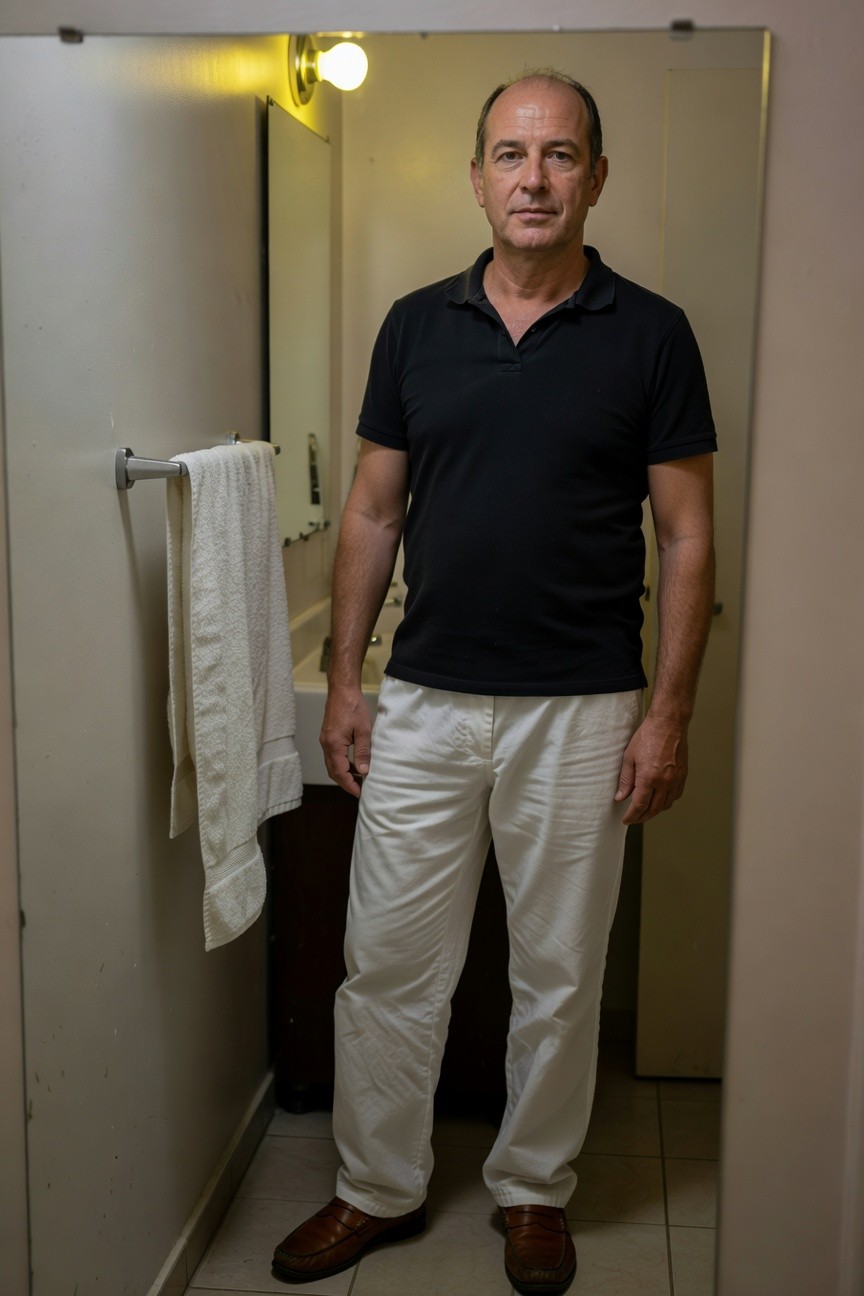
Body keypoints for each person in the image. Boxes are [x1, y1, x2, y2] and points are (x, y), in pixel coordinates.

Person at [272, 69, 716, 1295]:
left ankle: (532, 1190)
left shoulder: (653, 331)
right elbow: (371, 508)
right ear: (476, 178)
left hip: (583, 708)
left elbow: (687, 535)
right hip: (424, 702)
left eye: (560, 155)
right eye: (512, 156)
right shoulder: (415, 325)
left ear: (597, 177)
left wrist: (667, 713)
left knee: (560, 973)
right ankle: (376, 1188)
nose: (534, 178)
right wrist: (348, 679)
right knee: (390, 965)